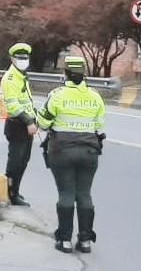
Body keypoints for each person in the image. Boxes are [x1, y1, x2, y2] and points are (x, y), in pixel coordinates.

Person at [37, 56, 106, 253]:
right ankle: (85, 241)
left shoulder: (57, 95)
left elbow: (42, 124)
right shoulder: (95, 96)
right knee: (84, 194)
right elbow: (99, 127)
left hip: (62, 151)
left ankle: (64, 240)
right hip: (89, 152)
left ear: (65, 73)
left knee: (66, 193)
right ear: (83, 73)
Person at [0, 43, 37, 206]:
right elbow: (13, 106)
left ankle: (16, 192)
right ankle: (10, 193)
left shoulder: (22, 76)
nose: (23, 61)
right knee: (15, 162)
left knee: (23, 161)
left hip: (26, 125)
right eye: (19, 58)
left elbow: (27, 102)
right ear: (12, 59)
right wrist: (28, 121)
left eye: (25, 58)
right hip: (17, 125)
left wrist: (35, 120)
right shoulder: (11, 78)